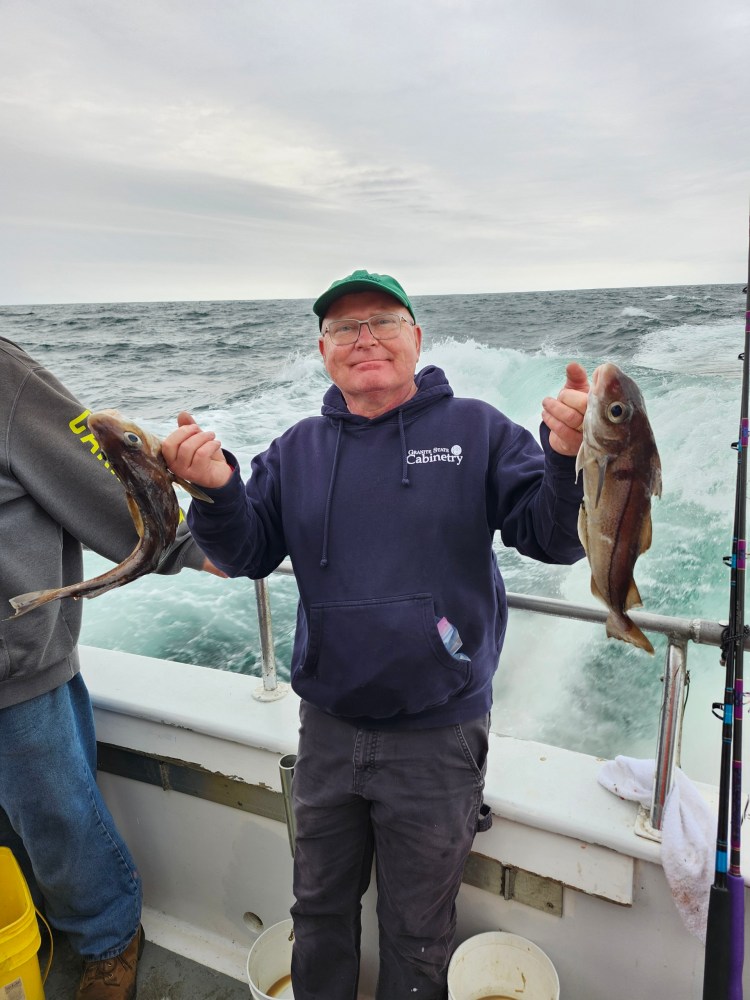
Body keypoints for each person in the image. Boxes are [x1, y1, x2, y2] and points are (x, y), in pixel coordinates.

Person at [162, 268, 589, 1000]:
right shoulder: (296, 449)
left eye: (384, 322)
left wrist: (568, 457)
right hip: (327, 729)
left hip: (439, 735)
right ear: (324, 350)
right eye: (344, 328)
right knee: (318, 914)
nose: (365, 339)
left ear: (416, 337)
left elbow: (553, 537)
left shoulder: (477, 430)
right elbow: (246, 552)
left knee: (418, 933)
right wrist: (216, 490)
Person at [0, 336, 223, 1000]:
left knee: (55, 815)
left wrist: (210, 539)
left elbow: (96, 465)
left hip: (14, 671)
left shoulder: (5, 376)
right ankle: (31, 922)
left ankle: (108, 936)